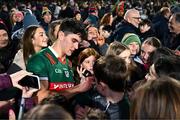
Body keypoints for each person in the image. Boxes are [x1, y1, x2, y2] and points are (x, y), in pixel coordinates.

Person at [26, 18, 92, 103]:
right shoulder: (38, 60)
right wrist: (78, 88)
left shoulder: (69, 63)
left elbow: (68, 95)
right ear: (61, 35)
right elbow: (40, 98)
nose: (76, 47)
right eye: (73, 40)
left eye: (78, 43)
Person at [75, 55, 130, 120]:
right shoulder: (94, 92)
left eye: (94, 79)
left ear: (102, 86)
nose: (93, 82)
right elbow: (80, 102)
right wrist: (78, 108)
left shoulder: (124, 112)